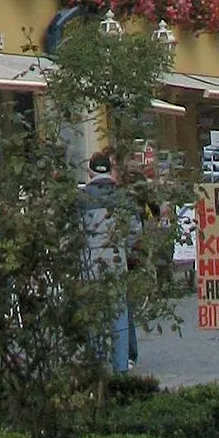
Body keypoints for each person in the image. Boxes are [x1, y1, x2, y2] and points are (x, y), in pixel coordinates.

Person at [76, 151, 133, 376]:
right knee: (119, 315)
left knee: (94, 317)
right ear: (111, 170)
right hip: (117, 262)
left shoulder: (81, 199)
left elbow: (72, 234)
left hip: (90, 264)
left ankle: (96, 367)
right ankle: (121, 368)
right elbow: (134, 231)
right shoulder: (122, 197)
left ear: (89, 171)